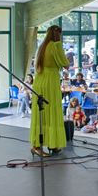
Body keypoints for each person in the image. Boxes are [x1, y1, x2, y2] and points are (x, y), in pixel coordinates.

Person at [30, 25, 70, 157]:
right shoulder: (55, 45)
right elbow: (66, 64)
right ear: (58, 34)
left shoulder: (41, 47)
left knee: (40, 113)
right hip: (51, 81)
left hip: (40, 81)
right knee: (53, 110)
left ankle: (38, 145)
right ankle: (52, 144)